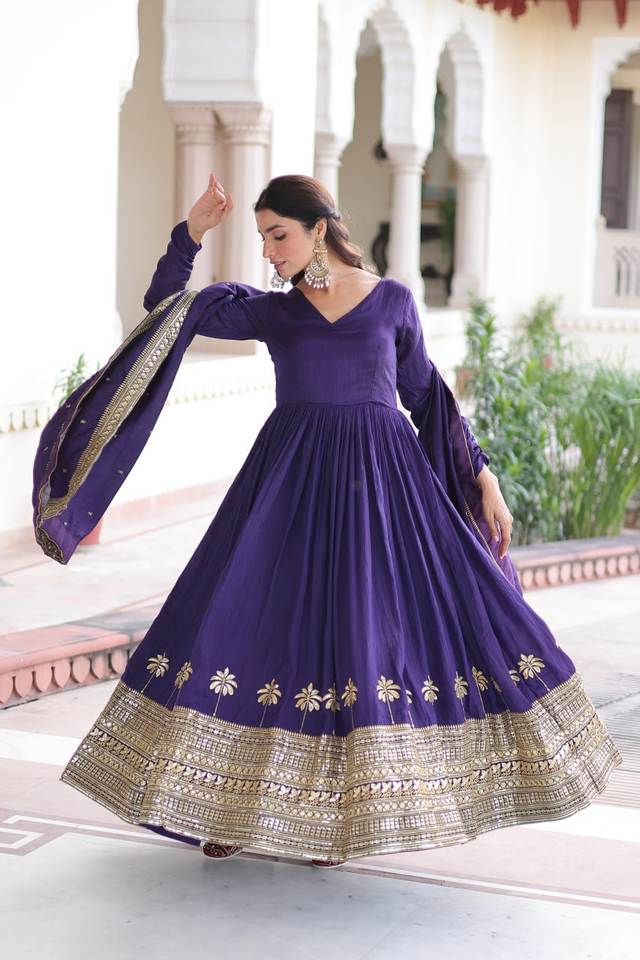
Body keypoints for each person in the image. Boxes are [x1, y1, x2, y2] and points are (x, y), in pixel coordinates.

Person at [34, 174, 622, 870]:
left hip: (383, 495)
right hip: (287, 491)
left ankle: (338, 822)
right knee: (255, 624)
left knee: (358, 638)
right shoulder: (274, 312)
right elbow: (167, 310)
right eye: (262, 238)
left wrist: (482, 476)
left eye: (278, 234)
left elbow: (426, 397)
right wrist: (192, 232)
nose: (269, 251)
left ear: (320, 228)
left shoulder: (392, 301)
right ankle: (226, 806)